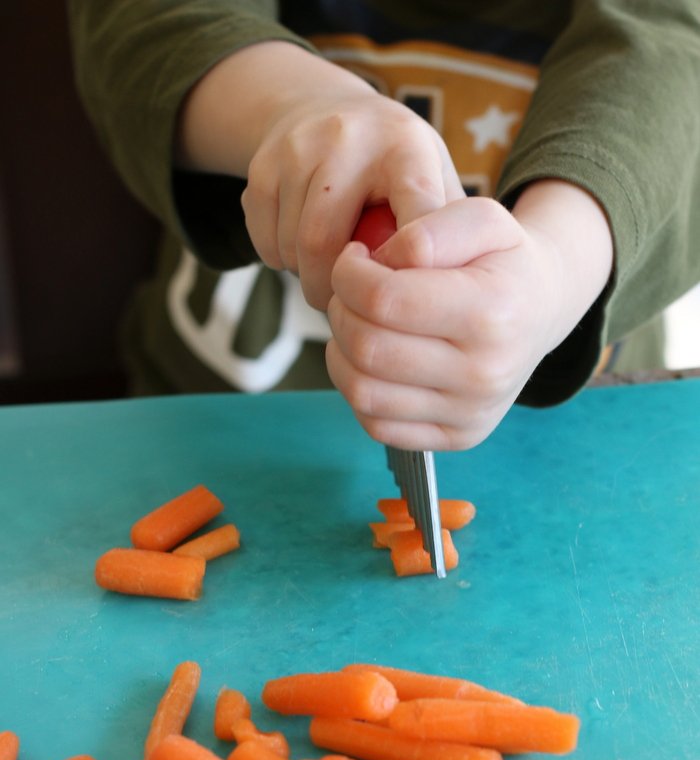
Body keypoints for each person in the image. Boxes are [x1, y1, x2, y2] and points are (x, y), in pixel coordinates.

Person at [67, 2, 700, 450]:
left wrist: (555, 271)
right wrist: (297, 106)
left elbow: (672, 51)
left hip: (577, 433)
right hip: (217, 417)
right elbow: (140, 18)